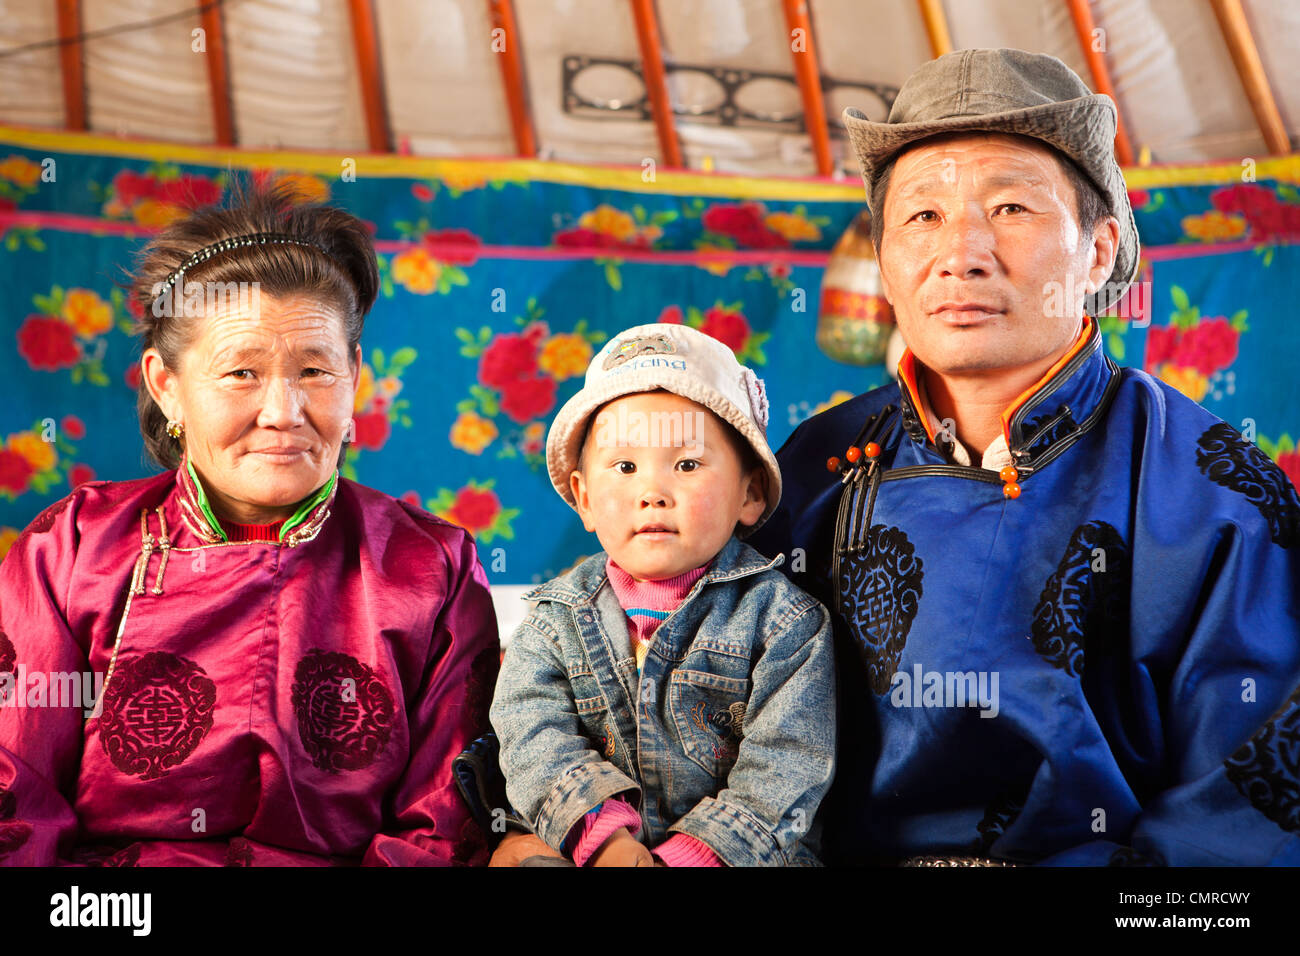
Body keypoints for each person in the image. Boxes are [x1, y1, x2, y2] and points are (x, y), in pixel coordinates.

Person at [748, 48, 1300, 865]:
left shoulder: (1214, 489)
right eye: (922, 216)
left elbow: (1249, 815)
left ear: (1100, 249)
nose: (961, 252)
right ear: (887, 265)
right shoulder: (813, 469)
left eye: (1010, 207)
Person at [0, 184, 500, 866]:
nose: (283, 412)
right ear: (165, 384)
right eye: (241, 372)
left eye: (315, 370)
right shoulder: (72, 549)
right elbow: (14, 802)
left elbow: (445, 824)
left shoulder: (431, 567)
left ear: (354, 376)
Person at [489, 323, 835, 866]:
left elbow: (786, 767)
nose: (652, 493)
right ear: (583, 497)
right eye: (624, 467)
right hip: (594, 849)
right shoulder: (552, 619)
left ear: (749, 492)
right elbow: (533, 734)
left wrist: (684, 858)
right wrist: (605, 839)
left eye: (688, 465)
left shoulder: (786, 622)